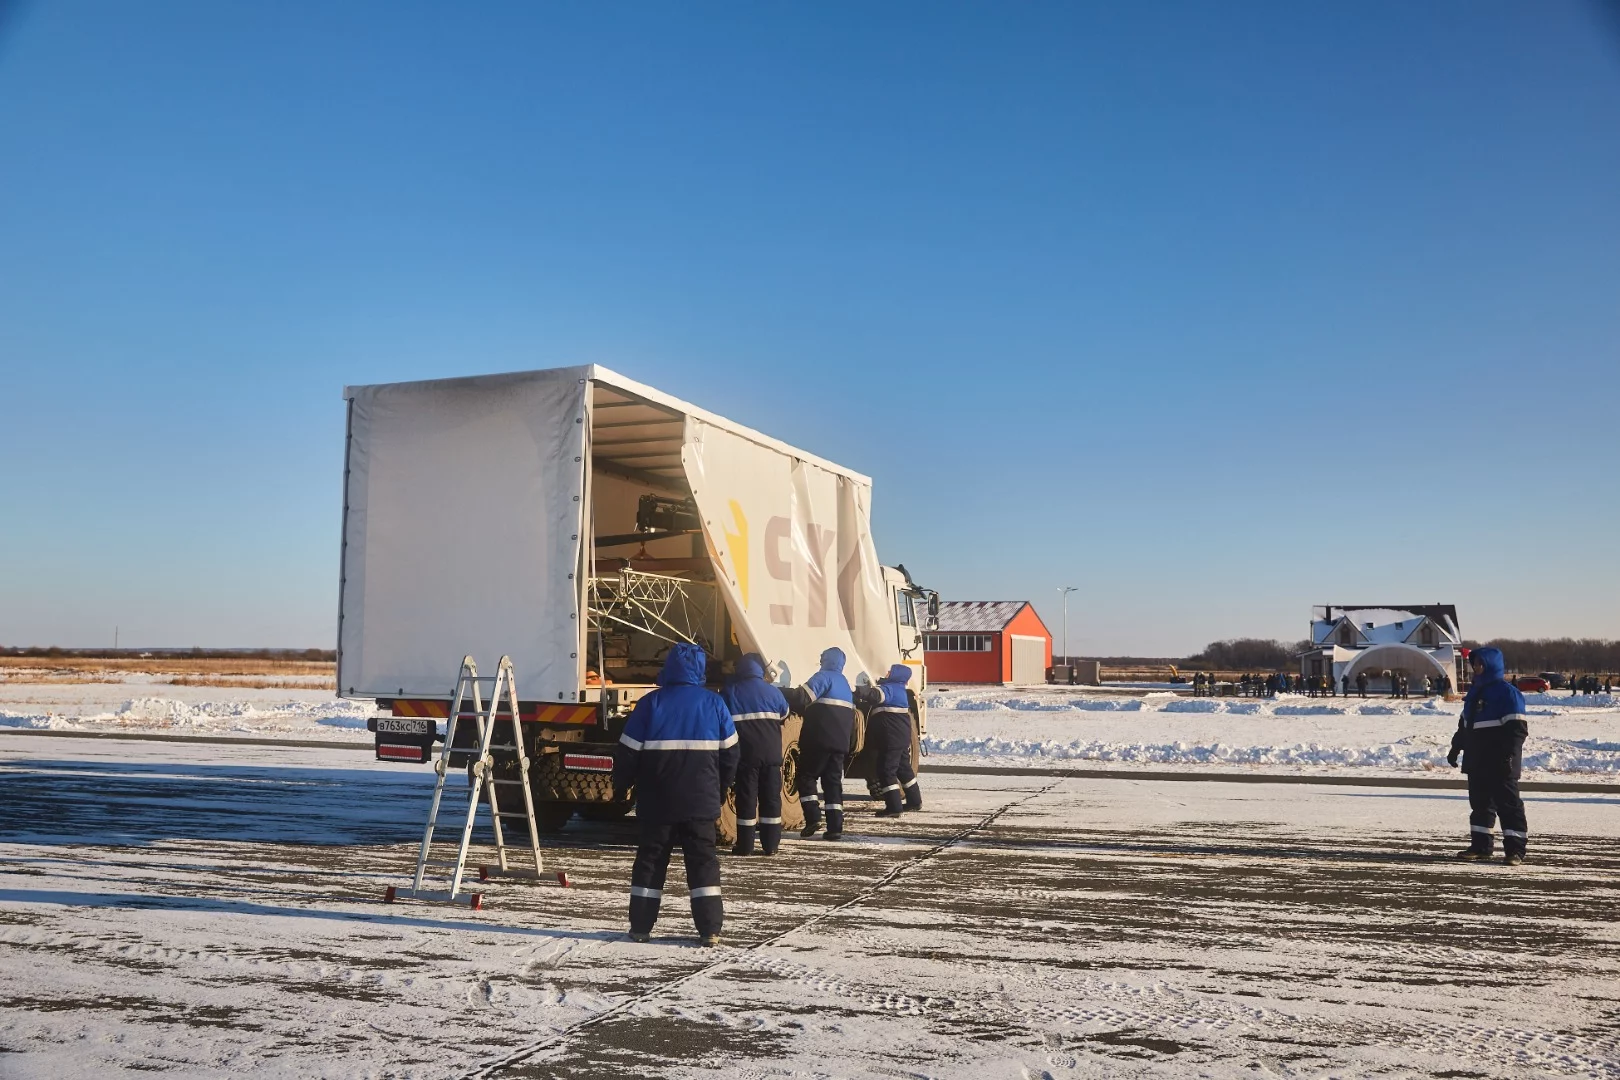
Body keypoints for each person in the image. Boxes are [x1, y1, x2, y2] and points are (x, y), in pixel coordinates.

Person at [612, 642, 739, 944]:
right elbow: (732, 755)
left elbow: (627, 752)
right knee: (703, 863)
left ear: (669, 668)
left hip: (657, 803)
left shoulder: (650, 704)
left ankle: (641, 927)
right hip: (701, 803)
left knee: (651, 861)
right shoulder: (715, 704)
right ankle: (710, 929)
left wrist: (622, 786)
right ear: (700, 670)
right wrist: (721, 789)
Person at [1447, 646, 1529, 865]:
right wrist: (1456, 748)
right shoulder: (1475, 693)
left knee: (1508, 806)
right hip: (1477, 760)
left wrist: (1509, 757)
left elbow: (1517, 730)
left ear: (1491, 665)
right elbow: (1465, 726)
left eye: (1480, 664)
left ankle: (1515, 851)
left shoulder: (1507, 692)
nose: (1476, 668)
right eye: (1474, 664)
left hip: (1501, 761)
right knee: (1481, 805)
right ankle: (1481, 847)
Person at [720, 652, 790, 857]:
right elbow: (785, 713)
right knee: (771, 799)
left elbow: (721, 717)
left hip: (746, 757)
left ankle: (746, 846)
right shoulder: (773, 692)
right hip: (771, 756)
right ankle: (771, 845)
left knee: (747, 799)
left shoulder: (730, 692)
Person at [786, 647, 856, 840]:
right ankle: (835, 828)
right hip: (840, 744)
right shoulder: (844, 684)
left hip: (818, 740)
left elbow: (803, 697)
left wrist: (779, 692)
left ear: (826, 660)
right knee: (832, 784)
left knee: (806, 777)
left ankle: (813, 817)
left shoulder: (823, 677)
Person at [855, 663, 923, 816]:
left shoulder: (890, 689)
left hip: (891, 739)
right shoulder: (900, 690)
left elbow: (875, 695)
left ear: (896, 675)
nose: (887, 673)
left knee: (886, 771)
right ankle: (914, 800)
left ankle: (894, 807)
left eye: (890, 672)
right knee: (903, 768)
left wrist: (860, 690)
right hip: (901, 738)